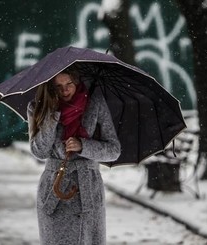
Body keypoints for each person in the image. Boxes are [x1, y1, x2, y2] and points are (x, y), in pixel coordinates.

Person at [27, 66, 121, 245]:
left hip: (89, 191)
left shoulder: (95, 103)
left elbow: (114, 150)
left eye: (69, 83)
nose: (65, 90)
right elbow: (39, 151)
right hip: (55, 191)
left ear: (76, 81)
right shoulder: (37, 107)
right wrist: (51, 117)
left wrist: (83, 146)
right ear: (50, 88)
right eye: (58, 86)